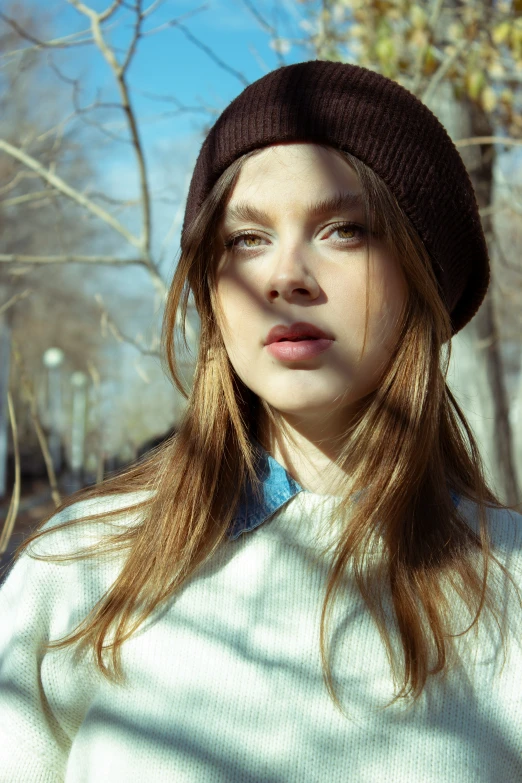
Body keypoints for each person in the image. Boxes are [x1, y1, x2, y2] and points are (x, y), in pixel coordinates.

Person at [1, 60, 521, 782]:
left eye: (343, 229)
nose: (284, 275)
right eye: (246, 238)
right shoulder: (80, 572)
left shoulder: (510, 584)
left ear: (423, 275)